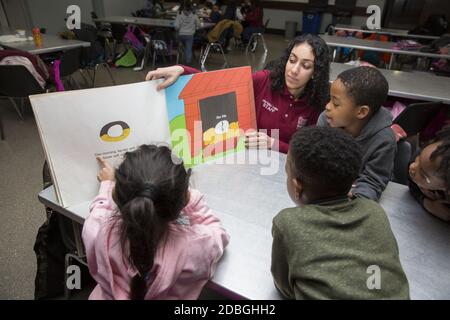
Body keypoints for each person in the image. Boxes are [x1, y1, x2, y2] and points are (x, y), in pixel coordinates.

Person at [271, 126, 410, 299]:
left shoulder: (287, 222)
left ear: (297, 187)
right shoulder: (374, 211)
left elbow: (284, 286)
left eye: (287, 171)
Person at [82, 144, 229, 299]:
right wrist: (191, 200)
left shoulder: (97, 229)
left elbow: (100, 210)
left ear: (115, 194)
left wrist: (107, 185)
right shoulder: (195, 245)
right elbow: (218, 232)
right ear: (184, 199)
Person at [146, 34, 330, 154]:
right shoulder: (265, 80)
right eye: (292, 60)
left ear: (316, 72)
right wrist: (181, 69)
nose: (294, 70)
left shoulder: (317, 105)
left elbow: (307, 154)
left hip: (286, 171)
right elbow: (219, 83)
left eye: (305, 66)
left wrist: (273, 144)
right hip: (246, 160)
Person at [317, 66, 395, 201]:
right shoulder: (326, 120)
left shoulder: (384, 140)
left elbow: (373, 182)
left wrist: (355, 197)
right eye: (329, 99)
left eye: (335, 103)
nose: (327, 106)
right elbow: (316, 161)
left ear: (361, 112)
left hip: (353, 200)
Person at [408, 125, 450, 222]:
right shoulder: (425, 161)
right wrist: (428, 204)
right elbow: (412, 184)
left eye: (423, 174)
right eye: (419, 156)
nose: (413, 166)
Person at [174, 1, 201, 65]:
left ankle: (180, 51)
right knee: (188, 49)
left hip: (181, 34)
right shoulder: (194, 16)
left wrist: (178, 30)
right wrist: (194, 28)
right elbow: (199, 25)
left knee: (179, 42)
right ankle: (187, 62)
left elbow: (176, 26)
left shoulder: (179, 15)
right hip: (190, 35)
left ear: (183, 8)